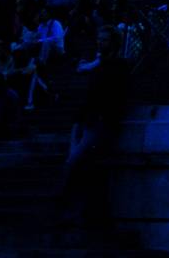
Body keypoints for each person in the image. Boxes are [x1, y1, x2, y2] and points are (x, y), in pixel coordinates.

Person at [58, 26, 129, 225]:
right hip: (87, 118)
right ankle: (72, 208)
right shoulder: (101, 66)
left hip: (97, 120)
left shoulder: (116, 66)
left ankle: (66, 206)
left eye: (104, 40)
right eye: (99, 39)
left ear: (113, 43)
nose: (100, 42)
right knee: (76, 162)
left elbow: (112, 97)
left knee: (74, 162)